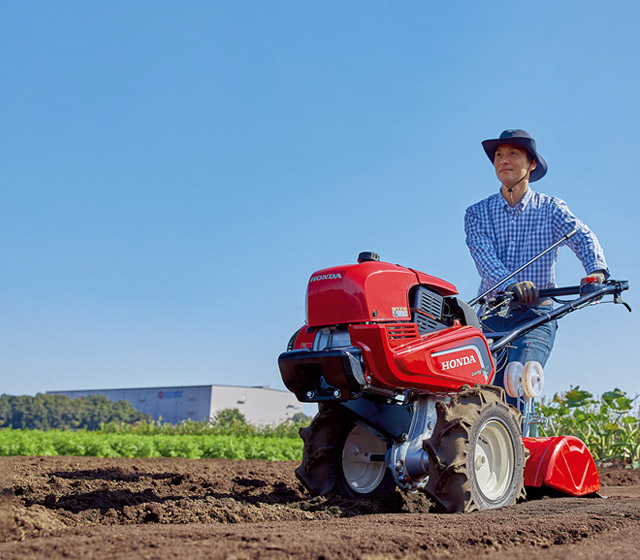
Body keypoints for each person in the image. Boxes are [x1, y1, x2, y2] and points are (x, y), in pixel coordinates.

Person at [464, 129, 609, 407]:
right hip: (492, 314)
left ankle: (517, 445)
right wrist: (511, 285)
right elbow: (483, 256)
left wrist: (597, 271)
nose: (503, 160)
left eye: (512, 154)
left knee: (516, 382)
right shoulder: (476, 213)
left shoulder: (551, 208)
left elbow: (582, 236)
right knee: (475, 390)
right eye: (498, 155)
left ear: (531, 163)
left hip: (535, 316)